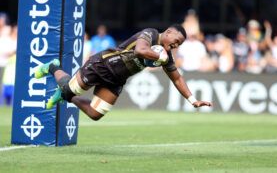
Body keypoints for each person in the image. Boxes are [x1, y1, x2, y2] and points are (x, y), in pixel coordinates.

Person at [34, 24, 212, 121]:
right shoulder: (150, 34)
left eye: (179, 44)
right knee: (71, 88)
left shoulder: (166, 56)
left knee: (95, 114)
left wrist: (193, 100)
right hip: (103, 64)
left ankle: (66, 95)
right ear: (169, 32)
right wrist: (160, 57)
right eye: (176, 40)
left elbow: (177, 78)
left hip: (117, 80)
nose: (176, 45)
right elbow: (140, 51)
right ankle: (52, 67)